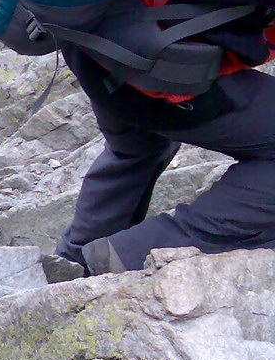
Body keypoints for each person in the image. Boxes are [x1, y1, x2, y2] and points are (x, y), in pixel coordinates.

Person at [56, 44, 275, 275]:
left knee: (134, 150)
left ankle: (73, 262)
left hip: (102, 64)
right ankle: (136, 252)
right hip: (170, 77)